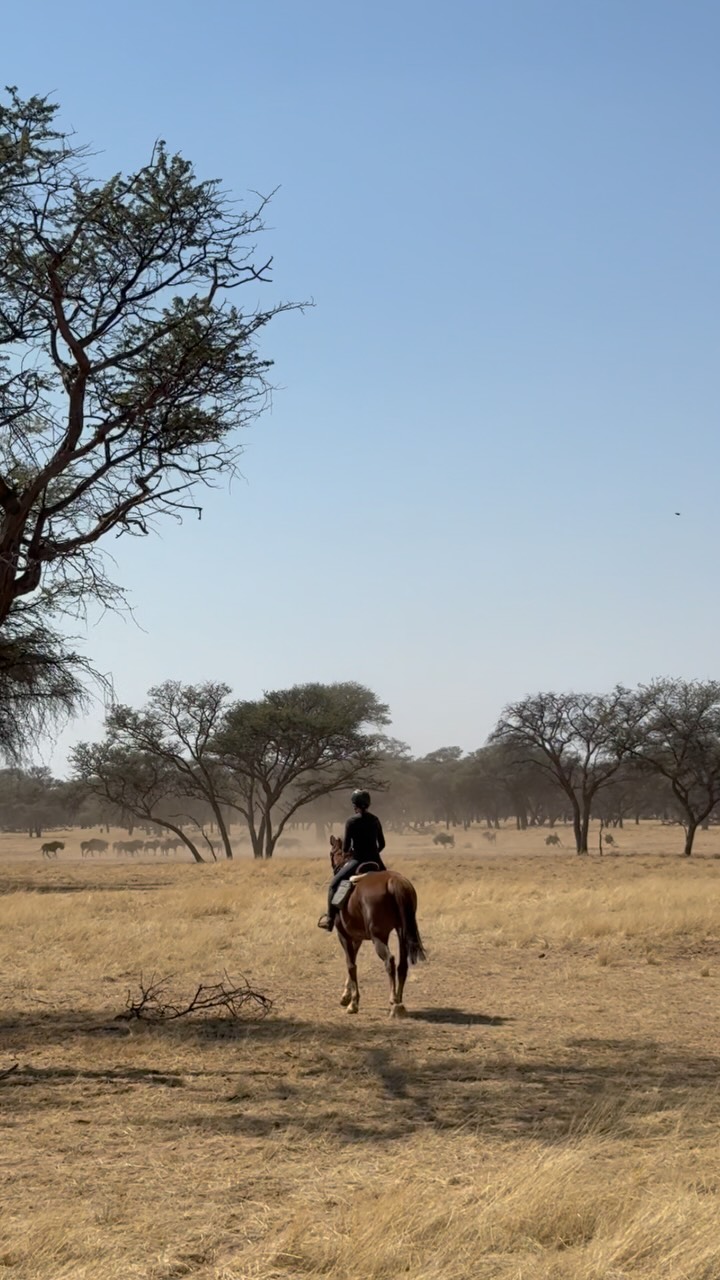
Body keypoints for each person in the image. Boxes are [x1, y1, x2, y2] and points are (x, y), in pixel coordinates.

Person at [317, 790, 386, 931]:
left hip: (358, 861)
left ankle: (330, 920)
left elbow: (346, 847)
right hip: (376, 861)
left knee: (333, 884)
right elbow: (382, 844)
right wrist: (373, 854)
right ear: (368, 804)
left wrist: (352, 852)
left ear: (355, 805)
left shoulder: (351, 821)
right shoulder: (375, 819)